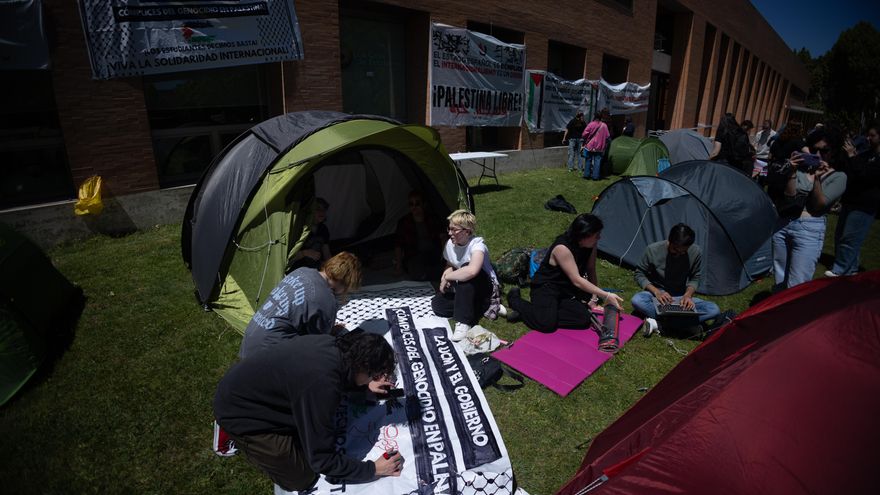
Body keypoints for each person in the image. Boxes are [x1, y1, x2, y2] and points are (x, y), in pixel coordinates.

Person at [214, 331, 403, 491]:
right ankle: (232, 435)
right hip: (239, 412)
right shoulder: (323, 385)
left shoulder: (335, 347)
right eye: (372, 375)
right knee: (301, 477)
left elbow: (342, 376)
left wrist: (364, 387)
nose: (372, 379)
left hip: (248, 387)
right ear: (362, 367)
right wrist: (373, 469)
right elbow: (322, 460)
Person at [506, 214, 623, 333]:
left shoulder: (591, 245)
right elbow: (577, 280)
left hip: (564, 290)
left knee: (584, 319)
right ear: (585, 235)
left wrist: (594, 299)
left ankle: (538, 314)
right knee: (546, 325)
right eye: (596, 235)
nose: (599, 238)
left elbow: (591, 269)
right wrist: (606, 295)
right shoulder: (562, 248)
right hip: (546, 287)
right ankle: (515, 300)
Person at [239, 252, 362, 359]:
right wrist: (330, 332)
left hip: (251, 339)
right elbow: (319, 343)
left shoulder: (302, 271)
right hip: (269, 352)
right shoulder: (326, 298)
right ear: (345, 281)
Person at [771, 126, 847, 290]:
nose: (818, 154)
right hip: (784, 223)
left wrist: (817, 179)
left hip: (809, 228)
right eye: (814, 149)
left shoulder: (839, 177)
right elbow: (790, 196)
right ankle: (776, 304)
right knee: (779, 279)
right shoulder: (800, 169)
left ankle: (792, 307)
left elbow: (819, 205)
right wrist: (792, 171)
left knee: (798, 283)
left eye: (824, 151)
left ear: (833, 152)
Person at [630, 223, 721, 336]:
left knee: (714, 309)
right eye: (675, 250)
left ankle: (661, 323)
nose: (678, 254)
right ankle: (684, 325)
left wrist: (688, 295)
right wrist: (657, 292)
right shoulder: (652, 250)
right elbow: (639, 274)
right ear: (669, 241)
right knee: (637, 300)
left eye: (683, 252)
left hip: (680, 298)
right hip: (656, 296)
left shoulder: (696, 252)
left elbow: (695, 278)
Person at [432, 209, 503, 341]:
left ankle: (463, 322)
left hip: (484, 286)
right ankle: (483, 306)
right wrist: (445, 275)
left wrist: (448, 277)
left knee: (465, 269)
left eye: (454, 230)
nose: (450, 233)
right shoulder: (450, 244)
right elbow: (450, 264)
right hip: (465, 288)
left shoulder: (477, 246)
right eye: (449, 228)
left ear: (467, 231)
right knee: (438, 305)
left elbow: (472, 271)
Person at [827, 124, 879, 277]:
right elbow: (851, 170)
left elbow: (866, 176)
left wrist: (853, 156)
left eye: (872, 135)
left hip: (865, 205)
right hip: (851, 200)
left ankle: (840, 268)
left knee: (850, 238)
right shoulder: (866, 154)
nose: (868, 138)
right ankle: (851, 268)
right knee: (841, 235)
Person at [394, 191, 446, 281]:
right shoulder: (404, 222)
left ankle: (435, 273)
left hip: (433, 253)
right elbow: (398, 244)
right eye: (411, 204)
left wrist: (444, 256)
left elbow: (443, 237)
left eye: (417, 204)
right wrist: (399, 265)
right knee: (417, 272)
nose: (414, 207)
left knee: (440, 266)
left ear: (423, 204)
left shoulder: (432, 219)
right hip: (415, 255)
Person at [290, 197, 332, 270]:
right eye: (318, 209)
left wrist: (330, 266)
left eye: (324, 209)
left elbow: (326, 253)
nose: (322, 212)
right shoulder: (300, 228)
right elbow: (289, 258)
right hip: (298, 269)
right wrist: (305, 253)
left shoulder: (323, 229)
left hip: (316, 268)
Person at [581, 111, 611, 180]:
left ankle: (586, 175)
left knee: (588, 160)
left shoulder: (591, 124)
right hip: (600, 147)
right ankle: (595, 176)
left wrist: (586, 140)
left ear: (594, 116)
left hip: (590, 145)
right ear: (601, 117)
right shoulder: (604, 125)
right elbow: (608, 137)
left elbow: (584, 135)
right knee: (597, 161)